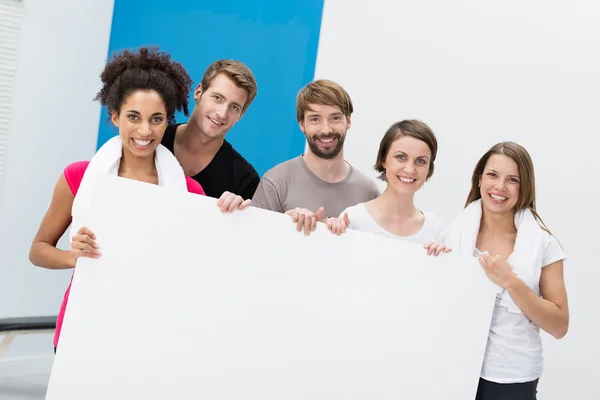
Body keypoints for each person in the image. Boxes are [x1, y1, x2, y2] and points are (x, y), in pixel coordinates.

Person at [28, 47, 250, 352]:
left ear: (166, 121)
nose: (144, 130)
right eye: (133, 117)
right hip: (81, 328)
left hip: (150, 334)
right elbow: (38, 251)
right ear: (115, 116)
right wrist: (73, 257)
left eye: (156, 119)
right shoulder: (79, 177)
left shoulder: (190, 193)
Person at [425, 142, 569, 399]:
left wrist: (509, 281)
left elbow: (559, 326)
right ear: (480, 179)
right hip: (452, 368)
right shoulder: (453, 236)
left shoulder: (544, 244)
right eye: (492, 175)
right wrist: (436, 263)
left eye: (512, 179)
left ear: (524, 186)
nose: (500, 187)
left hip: (511, 376)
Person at [251, 79, 380, 234]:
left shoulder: (368, 192)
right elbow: (254, 245)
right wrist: (286, 226)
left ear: (348, 121)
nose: (326, 130)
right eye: (315, 119)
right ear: (301, 124)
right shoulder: (276, 182)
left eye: (335, 118)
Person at [324, 120, 445, 244]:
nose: (409, 169)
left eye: (420, 161)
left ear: (429, 169)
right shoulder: (353, 219)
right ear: (383, 159)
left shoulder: (436, 232)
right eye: (401, 157)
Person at [160, 59, 260, 199]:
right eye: (217, 98)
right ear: (198, 93)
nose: (222, 113)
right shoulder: (154, 139)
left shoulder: (245, 180)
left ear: (241, 115)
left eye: (234, 107)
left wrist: (239, 214)